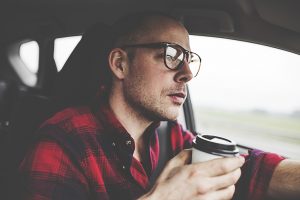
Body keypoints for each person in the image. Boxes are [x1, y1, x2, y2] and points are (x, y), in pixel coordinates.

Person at [19, 12, 300, 200]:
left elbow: (246, 167)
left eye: (189, 58)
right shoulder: (63, 142)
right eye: (170, 54)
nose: (187, 73)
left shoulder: (170, 135)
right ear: (120, 64)